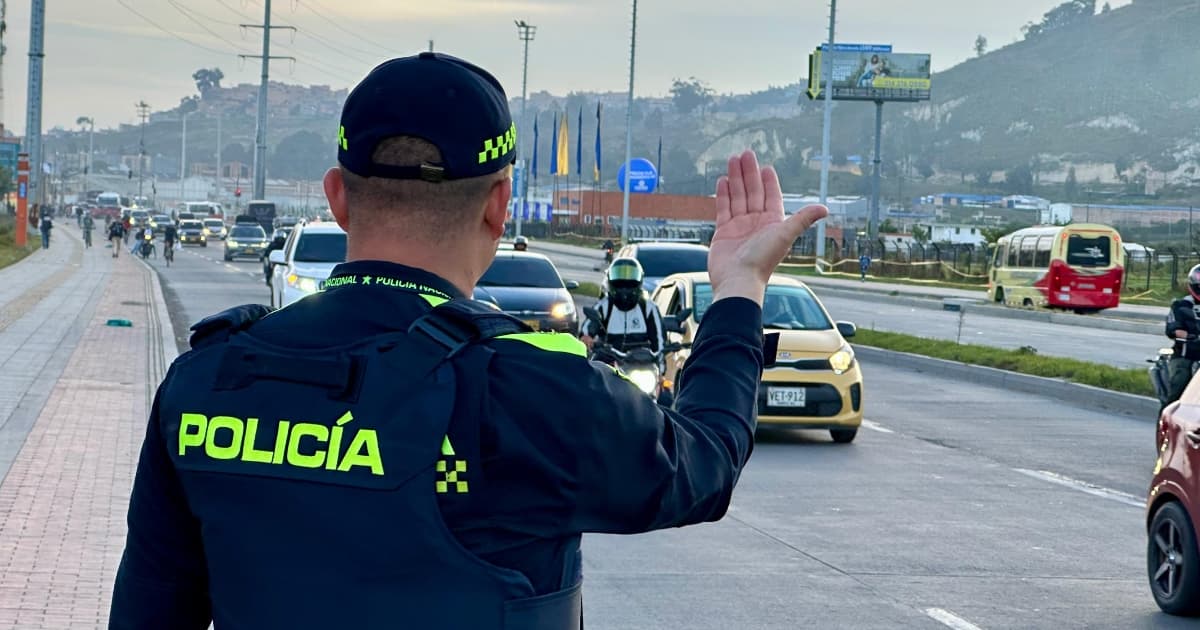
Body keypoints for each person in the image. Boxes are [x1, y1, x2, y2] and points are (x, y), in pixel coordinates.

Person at [108, 52, 828, 629]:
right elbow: (703, 465)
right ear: (499, 204)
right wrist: (738, 290)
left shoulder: (209, 377)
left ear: (336, 194)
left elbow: (148, 609)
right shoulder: (529, 387)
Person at [579, 257, 665, 359]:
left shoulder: (648, 307)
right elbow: (590, 323)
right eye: (620, 283)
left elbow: (660, 343)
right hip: (608, 360)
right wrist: (587, 336)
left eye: (629, 283)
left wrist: (659, 366)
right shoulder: (605, 305)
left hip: (642, 362)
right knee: (590, 369)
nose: (624, 287)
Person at [1165, 264, 1200, 403]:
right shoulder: (1180, 305)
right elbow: (1174, 329)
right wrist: (1191, 337)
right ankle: (1166, 418)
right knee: (1180, 384)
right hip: (1186, 355)